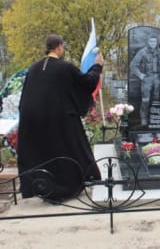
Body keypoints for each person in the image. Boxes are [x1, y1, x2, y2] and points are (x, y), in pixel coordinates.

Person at [17, 34, 103, 202]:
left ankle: (45, 188)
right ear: (58, 47)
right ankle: (66, 189)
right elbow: (86, 82)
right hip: (59, 120)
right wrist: (97, 67)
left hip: (34, 121)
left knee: (44, 154)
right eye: (62, 47)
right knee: (68, 150)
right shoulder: (64, 67)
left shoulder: (33, 68)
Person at [130, 37, 160, 127]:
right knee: (146, 100)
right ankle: (144, 119)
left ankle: (154, 118)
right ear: (148, 42)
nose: (153, 43)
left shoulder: (159, 51)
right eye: (151, 41)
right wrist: (140, 75)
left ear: (157, 42)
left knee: (156, 99)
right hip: (147, 78)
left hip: (157, 78)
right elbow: (133, 65)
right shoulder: (142, 52)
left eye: (155, 41)